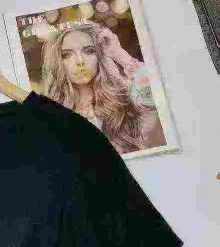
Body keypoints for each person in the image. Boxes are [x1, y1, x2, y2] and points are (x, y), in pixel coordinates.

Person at [42, 22, 166, 154]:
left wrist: (119, 54)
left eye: (89, 51)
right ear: (57, 61)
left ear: (99, 56)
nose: (80, 61)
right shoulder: (49, 115)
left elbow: (160, 98)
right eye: (67, 54)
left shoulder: (123, 100)